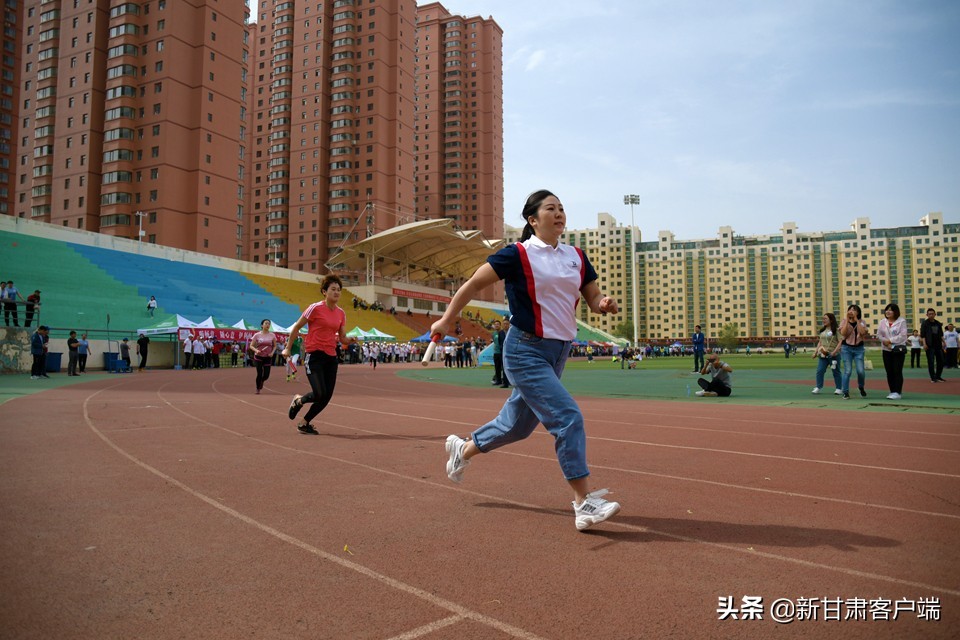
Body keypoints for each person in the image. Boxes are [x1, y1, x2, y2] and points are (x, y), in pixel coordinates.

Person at [431, 189, 621, 531]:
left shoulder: (576, 256)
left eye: (562, 208)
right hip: (525, 350)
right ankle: (584, 503)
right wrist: (446, 320)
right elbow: (472, 284)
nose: (559, 213)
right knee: (567, 417)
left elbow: (592, 297)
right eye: (551, 208)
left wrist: (603, 302)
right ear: (533, 220)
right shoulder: (517, 254)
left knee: (516, 426)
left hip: (559, 352)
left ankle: (463, 450)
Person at [284, 274, 350, 435]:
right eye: (333, 289)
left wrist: (351, 340)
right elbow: (297, 327)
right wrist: (287, 347)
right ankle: (299, 401)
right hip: (314, 356)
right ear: (324, 292)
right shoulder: (315, 308)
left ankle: (304, 423)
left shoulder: (341, 313)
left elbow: (342, 338)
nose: (336, 292)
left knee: (326, 397)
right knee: (319, 393)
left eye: (339, 290)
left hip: (331, 357)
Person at [877, 303, 908, 400]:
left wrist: (890, 341)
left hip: (898, 349)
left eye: (890, 310)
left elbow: (903, 335)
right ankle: (892, 391)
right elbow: (879, 334)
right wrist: (885, 342)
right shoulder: (883, 322)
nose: (888, 312)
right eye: (887, 310)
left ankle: (898, 392)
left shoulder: (901, 321)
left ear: (895, 312)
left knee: (897, 370)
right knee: (889, 371)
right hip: (886, 349)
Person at [839, 304, 869, 399]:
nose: (851, 311)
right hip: (846, 348)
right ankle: (845, 391)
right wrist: (847, 320)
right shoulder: (844, 321)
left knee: (860, 371)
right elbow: (843, 333)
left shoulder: (862, 322)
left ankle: (861, 386)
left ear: (858, 312)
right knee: (847, 371)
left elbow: (863, 332)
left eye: (854, 310)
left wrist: (856, 320)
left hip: (859, 349)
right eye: (850, 309)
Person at [811, 313, 842, 395]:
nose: (823, 320)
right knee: (820, 371)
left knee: (836, 371)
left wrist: (834, 352)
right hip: (823, 354)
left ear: (831, 320)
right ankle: (818, 386)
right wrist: (815, 352)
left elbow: (840, 342)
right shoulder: (822, 331)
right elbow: (820, 342)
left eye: (825, 319)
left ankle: (838, 388)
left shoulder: (836, 330)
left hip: (833, 355)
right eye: (823, 319)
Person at [248, 319, 277, 394]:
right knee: (259, 373)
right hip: (258, 357)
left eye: (269, 324)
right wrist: (256, 350)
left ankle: (262, 380)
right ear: (262, 325)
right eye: (266, 323)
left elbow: (275, 346)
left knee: (266, 375)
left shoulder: (272, 335)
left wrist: (272, 353)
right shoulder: (257, 335)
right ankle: (258, 388)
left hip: (268, 357)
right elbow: (251, 346)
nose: (268, 325)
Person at [919, 308, 946, 383]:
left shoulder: (938, 323)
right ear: (927, 315)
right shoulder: (925, 323)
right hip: (929, 345)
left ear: (935, 314)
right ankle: (933, 378)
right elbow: (923, 335)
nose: (931, 315)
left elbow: (941, 334)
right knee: (931, 361)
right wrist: (924, 344)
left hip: (938, 345)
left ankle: (938, 376)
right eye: (929, 314)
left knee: (941, 361)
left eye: (932, 313)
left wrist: (944, 342)